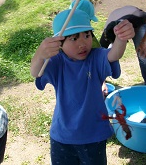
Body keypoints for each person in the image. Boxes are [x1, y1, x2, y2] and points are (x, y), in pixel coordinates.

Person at [30, 9, 135, 164]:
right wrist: (40, 54)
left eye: (87, 35)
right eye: (73, 38)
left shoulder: (96, 56)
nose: (82, 43)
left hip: (93, 135)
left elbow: (114, 54)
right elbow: (36, 72)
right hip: (62, 136)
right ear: (59, 43)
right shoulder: (57, 62)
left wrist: (121, 38)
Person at [99, 6, 146, 86]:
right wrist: (101, 82)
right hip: (116, 17)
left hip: (134, 19)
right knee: (108, 56)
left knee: (143, 55)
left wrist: (143, 41)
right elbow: (98, 60)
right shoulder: (106, 35)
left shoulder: (139, 17)